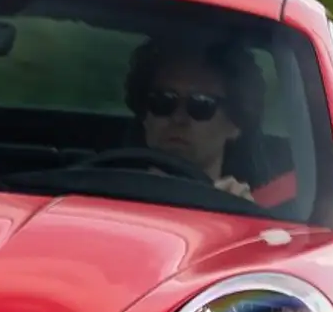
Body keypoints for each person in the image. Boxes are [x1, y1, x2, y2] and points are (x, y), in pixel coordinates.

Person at [123, 35, 294, 206]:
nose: (179, 118)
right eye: (163, 101)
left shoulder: (243, 212)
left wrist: (240, 211)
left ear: (235, 121)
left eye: (201, 104)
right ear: (145, 115)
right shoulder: (105, 194)